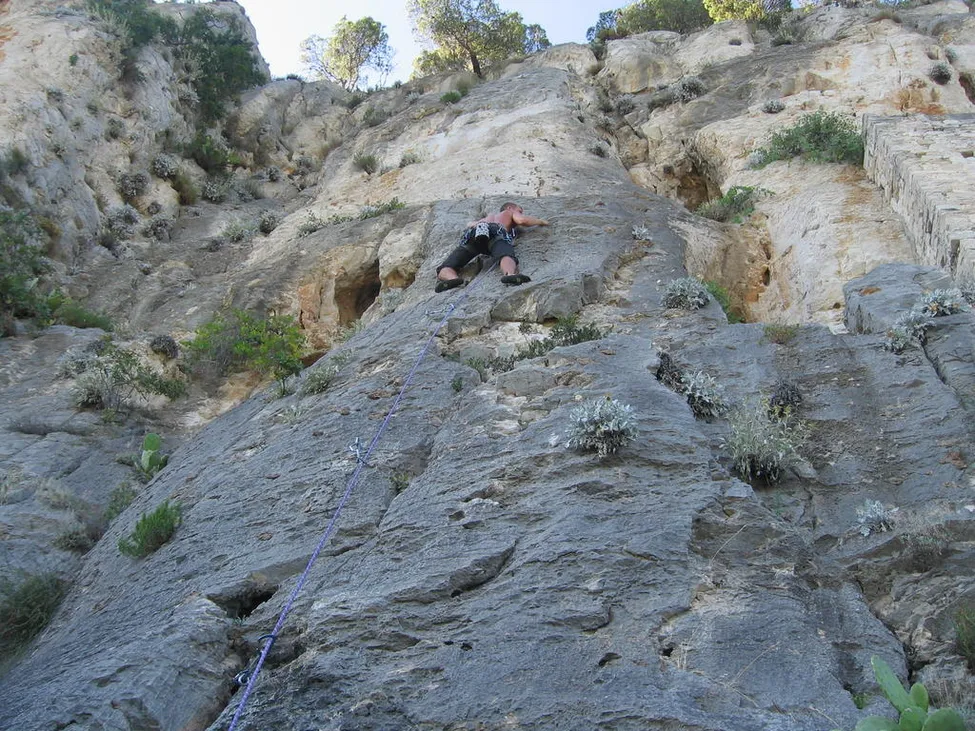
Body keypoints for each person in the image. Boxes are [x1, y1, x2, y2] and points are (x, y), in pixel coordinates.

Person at [435, 202, 549, 292]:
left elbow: (470, 224)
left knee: (447, 265)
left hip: (476, 233)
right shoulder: (508, 213)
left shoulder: (486, 218)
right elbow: (522, 220)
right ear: (510, 208)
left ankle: (452, 279)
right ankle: (510, 274)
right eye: (520, 210)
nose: (521, 213)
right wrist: (541, 221)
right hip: (495, 233)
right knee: (505, 254)